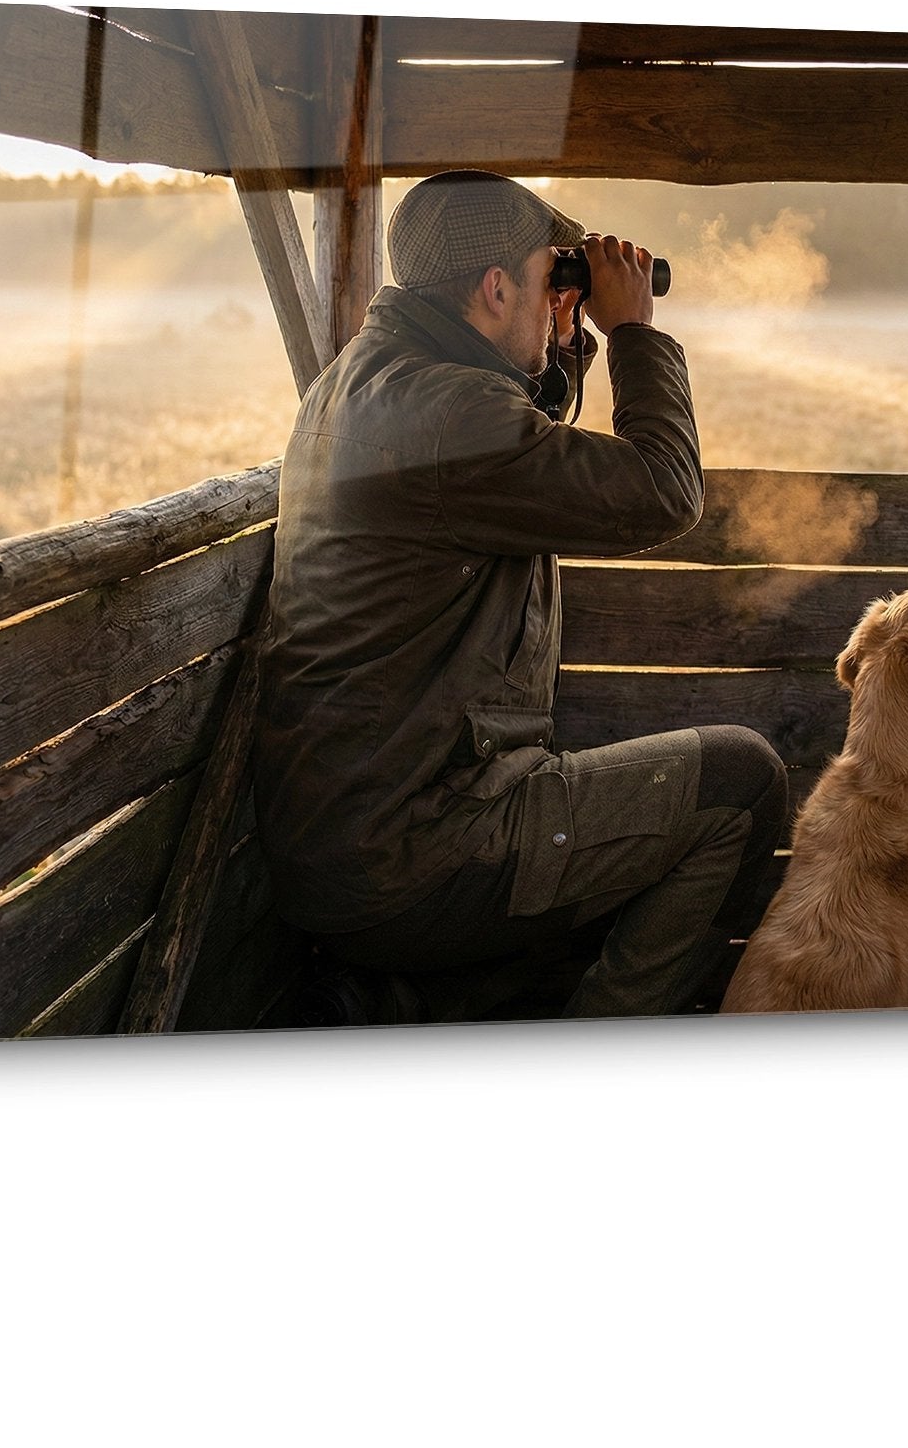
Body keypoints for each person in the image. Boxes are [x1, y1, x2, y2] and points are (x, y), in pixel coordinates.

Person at [252, 168, 789, 1020]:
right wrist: (631, 332)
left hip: (355, 841)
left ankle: (425, 1000)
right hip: (416, 852)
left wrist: (562, 338)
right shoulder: (449, 412)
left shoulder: (367, 379)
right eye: (547, 282)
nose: (555, 300)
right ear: (496, 288)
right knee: (740, 782)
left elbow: (513, 443)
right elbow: (663, 492)